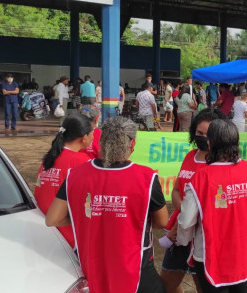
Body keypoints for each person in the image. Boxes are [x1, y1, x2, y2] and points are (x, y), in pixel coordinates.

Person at [45, 117, 168, 293]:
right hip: (135, 270)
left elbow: (52, 219)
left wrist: (93, 217)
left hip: (92, 268)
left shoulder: (75, 175)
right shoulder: (147, 177)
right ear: (132, 145)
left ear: (100, 142)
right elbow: (162, 221)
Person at [177, 119, 247, 292]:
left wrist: (181, 241)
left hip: (211, 253)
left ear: (210, 143)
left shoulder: (200, 178)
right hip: (245, 252)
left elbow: (186, 222)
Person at [162, 108, 226, 293]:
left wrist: (188, 215)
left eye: (209, 134)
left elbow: (217, 205)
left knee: (203, 287)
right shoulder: (190, 156)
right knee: (166, 285)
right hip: (179, 232)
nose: (203, 138)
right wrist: (185, 211)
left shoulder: (220, 163)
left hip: (202, 238)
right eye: (199, 133)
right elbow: (175, 189)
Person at [34, 113, 93, 247]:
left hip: (44, 230)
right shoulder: (83, 162)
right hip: (68, 237)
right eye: (92, 134)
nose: (93, 137)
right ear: (84, 138)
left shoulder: (49, 158)